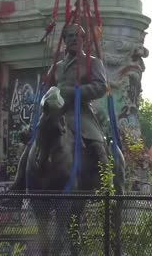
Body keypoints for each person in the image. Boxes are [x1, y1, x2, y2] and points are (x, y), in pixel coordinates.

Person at [10, 24, 109, 192]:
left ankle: (106, 185)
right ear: (64, 40)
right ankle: (18, 184)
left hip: (81, 112)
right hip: (55, 112)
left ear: (83, 40)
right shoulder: (57, 66)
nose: (73, 39)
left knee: (97, 145)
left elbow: (101, 87)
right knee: (33, 143)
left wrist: (74, 91)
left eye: (77, 36)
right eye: (70, 36)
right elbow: (45, 90)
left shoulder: (93, 63)